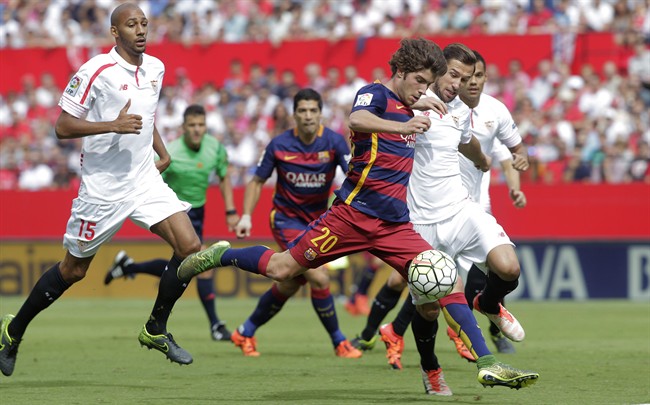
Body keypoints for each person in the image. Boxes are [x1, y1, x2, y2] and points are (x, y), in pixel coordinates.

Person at [178, 38, 538, 394]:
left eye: (428, 84)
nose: (423, 90)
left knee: (444, 280)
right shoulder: (376, 94)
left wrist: (429, 110)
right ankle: (219, 254)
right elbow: (358, 118)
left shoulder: (417, 104)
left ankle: (489, 365)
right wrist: (404, 124)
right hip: (351, 216)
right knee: (281, 269)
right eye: (419, 82)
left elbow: (446, 126)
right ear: (400, 71)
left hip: (394, 224)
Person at [0, 3, 199, 377]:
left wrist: (162, 151)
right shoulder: (96, 70)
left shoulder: (156, 68)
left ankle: (155, 328)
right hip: (102, 189)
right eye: (131, 25)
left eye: (144, 23)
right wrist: (112, 125)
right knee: (74, 270)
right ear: (114, 32)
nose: (140, 30)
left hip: (143, 179)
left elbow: (146, 116)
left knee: (190, 248)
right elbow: (62, 127)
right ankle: (12, 331)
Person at [363, 44, 533, 381]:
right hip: (419, 223)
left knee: (508, 267)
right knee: (427, 309)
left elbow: (466, 139)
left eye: (466, 77)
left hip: (460, 210)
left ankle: (488, 303)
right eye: (454, 74)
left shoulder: (460, 110)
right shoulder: (405, 104)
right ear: (437, 70)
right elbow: (366, 117)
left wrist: (481, 158)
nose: (459, 83)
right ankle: (431, 371)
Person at [231, 88, 361, 358]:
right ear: (294, 114)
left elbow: (354, 175)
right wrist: (245, 216)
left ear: (321, 113)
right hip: (285, 220)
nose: (308, 116)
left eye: (313, 110)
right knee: (319, 275)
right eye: (302, 110)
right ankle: (339, 342)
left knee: (289, 284)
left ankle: (244, 332)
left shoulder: (335, 143)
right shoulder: (279, 145)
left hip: (317, 223)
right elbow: (256, 181)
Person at [103, 104, 238, 342]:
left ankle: (128, 267)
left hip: (199, 211)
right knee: (201, 267)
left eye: (201, 125)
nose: (197, 130)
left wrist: (230, 209)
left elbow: (224, 175)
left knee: (181, 266)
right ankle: (216, 326)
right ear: (183, 128)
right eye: (192, 125)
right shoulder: (171, 151)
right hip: (176, 211)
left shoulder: (215, 148)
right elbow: (148, 176)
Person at [454, 49, 529, 356]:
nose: (472, 82)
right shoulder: (438, 108)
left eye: (479, 75)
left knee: (505, 269)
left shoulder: (494, 113)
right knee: (429, 293)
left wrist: (516, 175)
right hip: (431, 211)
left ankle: (488, 310)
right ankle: (430, 362)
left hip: (474, 208)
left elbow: (513, 153)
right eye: (464, 76)